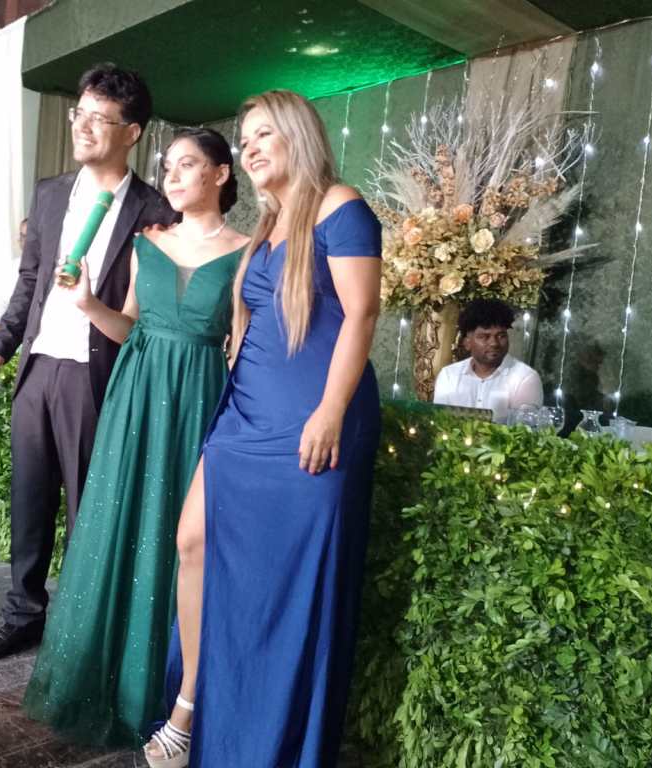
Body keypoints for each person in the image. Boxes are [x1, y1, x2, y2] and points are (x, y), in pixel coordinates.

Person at [146, 91, 382, 768]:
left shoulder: (341, 206)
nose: (248, 148)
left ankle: (266, 742)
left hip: (312, 420)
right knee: (193, 541)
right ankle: (191, 705)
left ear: (298, 136)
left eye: (262, 135)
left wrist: (330, 412)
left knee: (291, 590)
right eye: (243, 139)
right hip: (245, 415)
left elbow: (362, 313)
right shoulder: (269, 224)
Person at [23, 128, 249, 745]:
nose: (170, 176)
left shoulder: (246, 253)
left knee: (181, 537)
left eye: (186, 164)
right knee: (118, 525)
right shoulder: (147, 244)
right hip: (134, 397)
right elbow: (127, 327)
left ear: (220, 174)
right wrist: (88, 304)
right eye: (167, 166)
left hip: (199, 400)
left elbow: (240, 349)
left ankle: (170, 692)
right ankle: (109, 685)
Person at [0, 63, 178, 662]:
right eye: (78, 114)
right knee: (29, 500)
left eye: (98, 118)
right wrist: (1, 345)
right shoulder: (50, 192)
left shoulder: (156, 211)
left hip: (96, 375)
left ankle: (82, 629)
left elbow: (153, 311)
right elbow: (29, 279)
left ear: (131, 132)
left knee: (91, 507)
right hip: (38, 368)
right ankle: (23, 615)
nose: (82, 126)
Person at [432, 298, 542, 423]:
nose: (494, 343)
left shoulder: (524, 378)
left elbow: (523, 431)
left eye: (501, 336)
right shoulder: (449, 375)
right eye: (484, 337)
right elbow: (440, 424)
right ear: (467, 342)